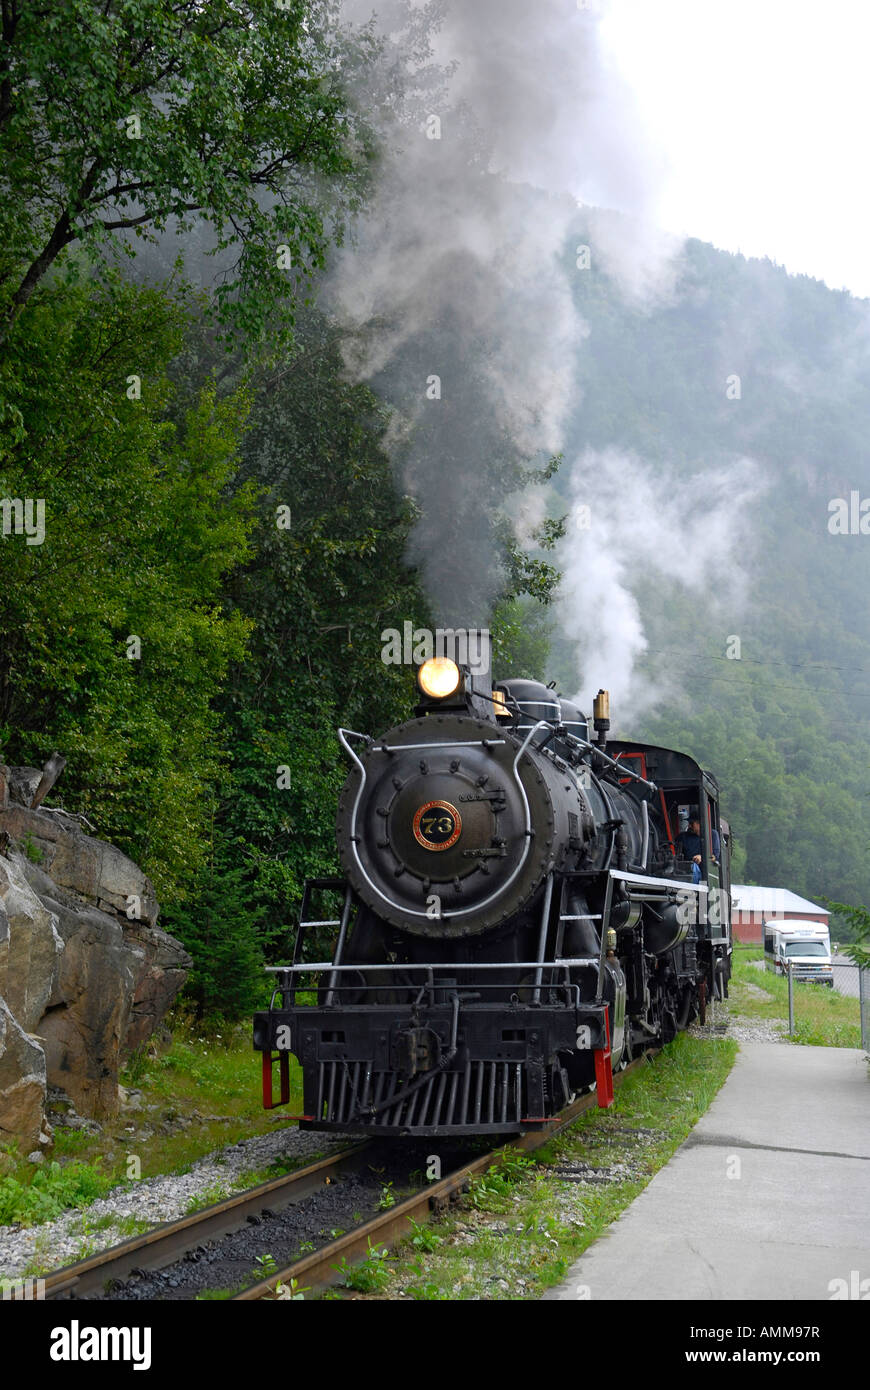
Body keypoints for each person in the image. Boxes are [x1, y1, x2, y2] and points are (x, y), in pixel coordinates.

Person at [676, 814, 720, 884]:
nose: (689, 826)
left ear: (700, 823)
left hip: (704, 873)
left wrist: (702, 857)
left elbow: (715, 857)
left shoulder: (712, 834)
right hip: (685, 870)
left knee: (694, 868)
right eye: (689, 823)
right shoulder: (682, 837)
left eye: (691, 823)